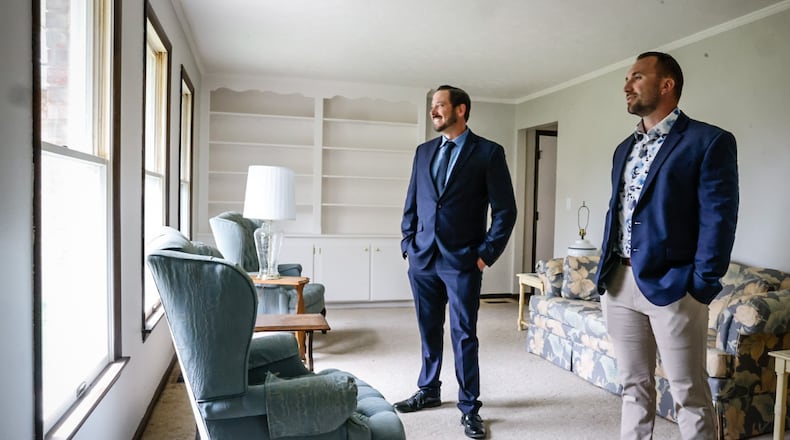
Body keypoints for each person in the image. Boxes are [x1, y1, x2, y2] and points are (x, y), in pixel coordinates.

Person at [595, 51, 739, 439]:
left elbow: (719, 218)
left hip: (675, 287)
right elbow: (620, 212)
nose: (626, 86)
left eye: (636, 77)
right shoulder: (623, 147)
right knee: (632, 386)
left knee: (688, 394)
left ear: (666, 84)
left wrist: (701, 284)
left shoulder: (709, 142)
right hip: (619, 282)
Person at [396, 85, 517, 439]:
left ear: (460, 109)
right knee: (428, 327)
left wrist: (485, 255)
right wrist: (407, 242)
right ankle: (429, 390)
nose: (434, 111)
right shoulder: (423, 152)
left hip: (463, 260)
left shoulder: (488, 153)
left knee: (464, 335)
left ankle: (469, 407)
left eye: (440, 105)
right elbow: (413, 201)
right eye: (432, 106)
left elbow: (506, 211)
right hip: (423, 258)